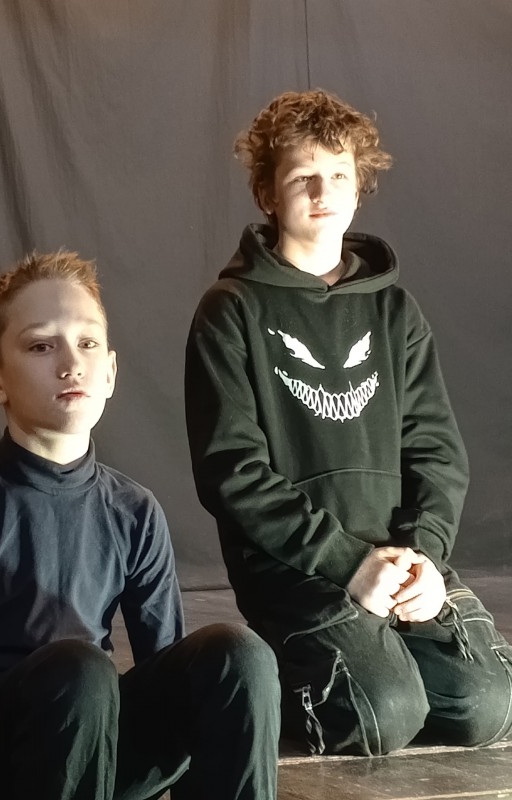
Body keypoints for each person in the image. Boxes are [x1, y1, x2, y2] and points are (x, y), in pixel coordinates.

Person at [184, 89, 512, 757]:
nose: (323, 190)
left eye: (338, 173)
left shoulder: (396, 311)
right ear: (267, 194)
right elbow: (232, 472)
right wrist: (346, 562)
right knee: (385, 713)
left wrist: (424, 555)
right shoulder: (230, 310)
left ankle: (386, 656)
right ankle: (274, 681)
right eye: (302, 176)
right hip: (297, 568)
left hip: (397, 559)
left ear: (359, 185)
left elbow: (436, 451)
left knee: (488, 707)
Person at [0, 251, 280, 800]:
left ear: (109, 372)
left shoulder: (134, 510)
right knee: (79, 668)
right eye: (42, 346)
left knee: (238, 654)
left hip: (93, 746)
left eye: (86, 343)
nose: (71, 364)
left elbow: (167, 676)